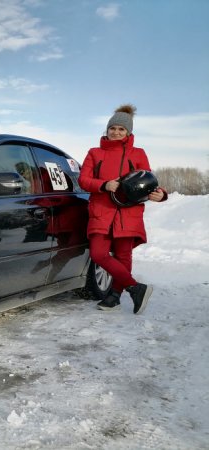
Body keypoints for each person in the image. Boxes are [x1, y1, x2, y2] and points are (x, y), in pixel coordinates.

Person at [78, 104, 168, 314]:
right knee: (99, 253)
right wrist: (103, 185)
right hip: (101, 210)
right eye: (113, 128)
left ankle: (115, 296)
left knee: (123, 255)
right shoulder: (94, 153)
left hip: (129, 213)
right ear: (107, 130)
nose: (116, 132)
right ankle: (135, 288)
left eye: (121, 129)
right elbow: (83, 179)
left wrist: (161, 194)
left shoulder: (138, 154)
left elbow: (148, 181)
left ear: (128, 132)